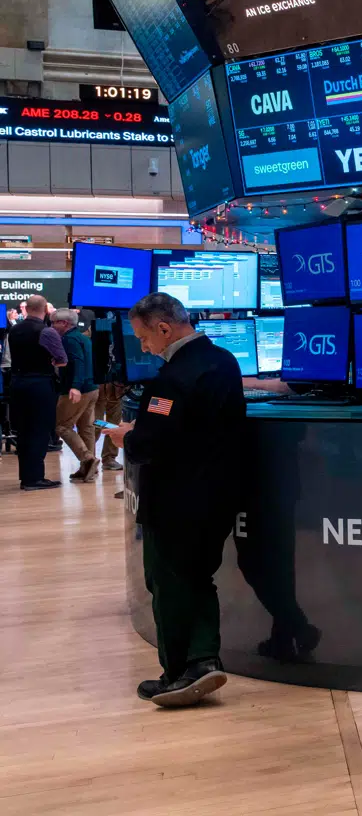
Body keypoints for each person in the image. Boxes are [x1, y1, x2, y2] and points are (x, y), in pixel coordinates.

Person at [101, 293, 245, 708]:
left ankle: (178, 672)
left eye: (144, 338)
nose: (144, 347)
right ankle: (203, 660)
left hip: (176, 500)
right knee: (197, 577)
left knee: (169, 583)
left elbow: (152, 445)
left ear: (164, 328)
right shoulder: (224, 361)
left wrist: (127, 436)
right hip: (218, 494)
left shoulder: (171, 379)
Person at [9, 294, 67, 491]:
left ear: (26, 309)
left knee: (24, 432)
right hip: (40, 385)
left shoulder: (14, 330)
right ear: (46, 310)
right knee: (40, 430)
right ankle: (35, 479)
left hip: (17, 383)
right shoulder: (46, 331)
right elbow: (62, 359)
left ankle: (27, 477)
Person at [53, 310, 100, 482]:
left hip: (77, 390)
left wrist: (75, 386)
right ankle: (89, 470)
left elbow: (78, 363)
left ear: (64, 323)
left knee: (62, 426)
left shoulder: (69, 339)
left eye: (54, 322)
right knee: (86, 428)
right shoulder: (83, 338)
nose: (52, 326)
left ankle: (87, 459)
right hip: (92, 388)